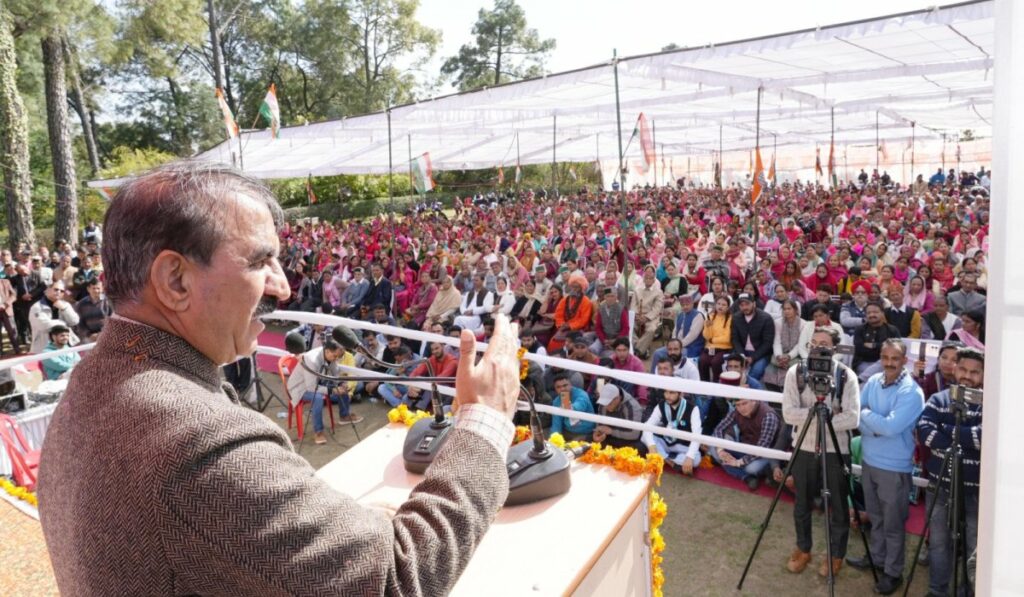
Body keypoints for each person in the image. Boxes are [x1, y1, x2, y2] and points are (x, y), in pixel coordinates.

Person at [38, 163, 522, 595]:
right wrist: (485, 420)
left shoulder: (94, 379)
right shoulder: (198, 443)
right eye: (258, 261)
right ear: (175, 280)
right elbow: (395, 577)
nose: (284, 286)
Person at [846, 339, 924, 595]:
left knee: (892, 524)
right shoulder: (874, 381)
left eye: (895, 358)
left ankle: (893, 572)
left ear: (905, 360)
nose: (889, 363)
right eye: (885, 357)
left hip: (894, 468)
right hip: (869, 461)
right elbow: (857, 413)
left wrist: (872, 420)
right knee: (876, 518)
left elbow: (889, 427)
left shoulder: (911, 392)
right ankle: (877, 559)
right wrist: (877, 426)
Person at [781, 326, 860, 577]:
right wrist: (821, 416)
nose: (818, 348)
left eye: (824, 344)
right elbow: (788, 413)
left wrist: (819, 419)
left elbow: (853, 418)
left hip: (837, 450)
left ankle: (836, 555)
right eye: (814, 343)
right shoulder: (796, 372)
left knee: (837, 505)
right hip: (804, 447)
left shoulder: (847, 377)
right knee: (801, 502)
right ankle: (804, 549)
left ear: (835, 348)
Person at [916, 347, 984, 597]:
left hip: (976, 492)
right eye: (963, 369)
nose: (967, 376)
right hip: (940, 485)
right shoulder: (939, 399)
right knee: (939, 544)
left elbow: (983, 437)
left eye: (974, 372)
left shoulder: (992, 403)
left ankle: (969, 592)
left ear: (983, 375)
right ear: (955, 369)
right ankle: (937, 591)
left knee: (973, 547)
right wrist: (963, 439)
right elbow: (924, 430)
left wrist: (947, 431)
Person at [287, 337, 362, 444]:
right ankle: (318, 431)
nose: (336, 359)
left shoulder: (329, 355)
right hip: (300, 388)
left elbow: (335, 374)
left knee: (343, 386)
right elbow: (311, 387)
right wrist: (333, 390)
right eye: (335, 356)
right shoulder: (311, 359)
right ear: (327, 351)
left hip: (319, 382)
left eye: (337, 357)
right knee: (317, 398)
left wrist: (341, 384)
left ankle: (344, 416)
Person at [711, 398, 781, 491]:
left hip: (765, 454)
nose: (741, 408)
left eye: (744, 403)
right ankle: (747, 477)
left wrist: (738, 462)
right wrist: (721, 451)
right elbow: (719, 429)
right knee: (714, 449)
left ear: (754, 400)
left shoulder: (768, 416)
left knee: (751, 469)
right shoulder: (736, 411)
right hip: (744, 447)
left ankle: (742, 470)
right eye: (738, 405)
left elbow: (762, 447)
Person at [642, 389, 702, 475]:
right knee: (644, 436)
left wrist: (689, 457)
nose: (667, 396)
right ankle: (670, 462)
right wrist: (651, 445)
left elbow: (697, 435)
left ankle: (662, 457)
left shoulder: (693, 408)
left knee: (696, 459)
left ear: (681, 394)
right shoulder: (661, 405)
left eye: (671, 393)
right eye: (665, 392)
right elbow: (648, 426)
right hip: (665, 443)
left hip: (682, 446)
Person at [730, 293, 775, 384]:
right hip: (742, 351)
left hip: (761, 353)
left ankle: (748, 396)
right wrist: (741, 355)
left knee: (755, 372)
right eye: (742, 305)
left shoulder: (766, 318)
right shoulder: (736, 317)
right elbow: (735, 339)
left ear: (754, 304)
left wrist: (753, 358)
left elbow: (767, 343)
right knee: (732, 369)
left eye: (747, 304)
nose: (745, 307)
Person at [852, 302, 902, 380]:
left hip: (885, 364)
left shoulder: (892, 330)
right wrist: (881, 347)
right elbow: (859, 349)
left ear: (882, 313)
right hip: (863, 363)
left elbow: (896, 350)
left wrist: (874, 345)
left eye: (875, 312)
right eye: (869, 313)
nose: (872, 315)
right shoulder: (860, 329)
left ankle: (860, 379)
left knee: (884, 360)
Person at [29, 280, 80, 353]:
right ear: (47, 290)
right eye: (56, 289)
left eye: (62, 291)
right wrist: (64, 323)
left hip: (66, 344)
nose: (59, 292)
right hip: (44, 347)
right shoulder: (36, 307)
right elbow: (44, 326)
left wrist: (64, 309)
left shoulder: (65, 305)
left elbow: (75, 321)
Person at [591, 383, 644, 452]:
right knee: (590, 440)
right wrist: (598, 433)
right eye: (604, 403)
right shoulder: (603, 404)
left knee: (639, 448)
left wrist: (611, 431)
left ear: (617, 398)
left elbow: (634, 434)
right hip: (610, 438)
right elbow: (600, 425)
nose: (606, 406)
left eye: (609, 403)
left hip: (628, 440)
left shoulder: (632, 406)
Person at [549, 372, 596, 441]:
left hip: (587, 433)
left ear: (570, 385)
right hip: (569, 432)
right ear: (555, 390)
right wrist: (553, 441)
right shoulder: (556, 402)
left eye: (565, 385)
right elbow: (556, 425)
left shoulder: (581, 394)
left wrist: (570, 407)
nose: (562, 389)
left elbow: (580, 406)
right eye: (558, 387)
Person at [700, 295, 733, 381]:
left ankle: (717, 384)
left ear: (728, 307)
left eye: (723, 305)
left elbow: (727, 338)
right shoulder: (710, 316)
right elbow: (707, 336)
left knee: (716, 362)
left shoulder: (730, 319)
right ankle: (704, 385)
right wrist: (707, 327)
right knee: (702, 361)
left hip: (724, 349)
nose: (720, 306)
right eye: (718, 304)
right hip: (710, 348)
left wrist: (713, 340)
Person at [74, 277, 110, 342]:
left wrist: (104, 333)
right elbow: (79, 322)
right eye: (93, 288)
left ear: (102, 289)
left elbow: (114, 319)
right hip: (90, 337)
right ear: (88, 289)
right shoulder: (81, 304)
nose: (96, 291)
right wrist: (89, 335)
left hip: (108, 335)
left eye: (98, 288)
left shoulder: (109, 302)